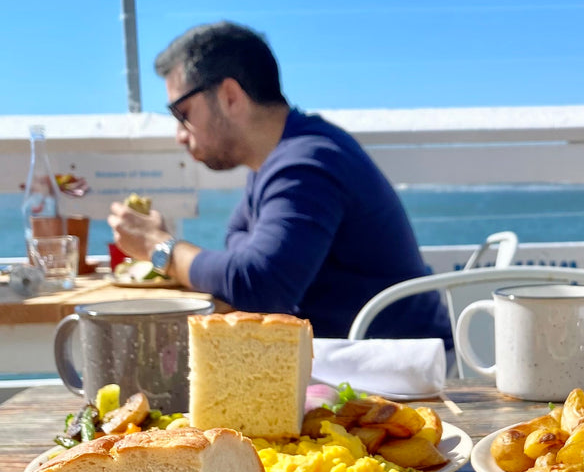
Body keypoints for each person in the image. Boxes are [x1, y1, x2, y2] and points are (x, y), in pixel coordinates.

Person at [107, 21, 452, 343]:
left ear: (230, 96)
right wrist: (237, 266)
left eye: (182, 114)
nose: (180, 135)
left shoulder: (308, 161)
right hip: (358, 357)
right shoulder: (279, 160)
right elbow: (240, 254)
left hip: (399, 369)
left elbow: (258, 287)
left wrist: (160, 248)